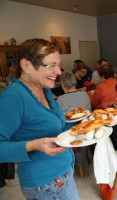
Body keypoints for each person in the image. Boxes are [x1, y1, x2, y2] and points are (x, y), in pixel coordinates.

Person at [0, 38, 79, 199]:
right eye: (51, 65)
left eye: (59, 64)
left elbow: (56, 129)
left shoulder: (44, 88)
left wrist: (84, 125)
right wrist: (32, 145)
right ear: (27, 65)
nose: (59, 72)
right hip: (46, 185)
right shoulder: (14, 98)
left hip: (64, 173)